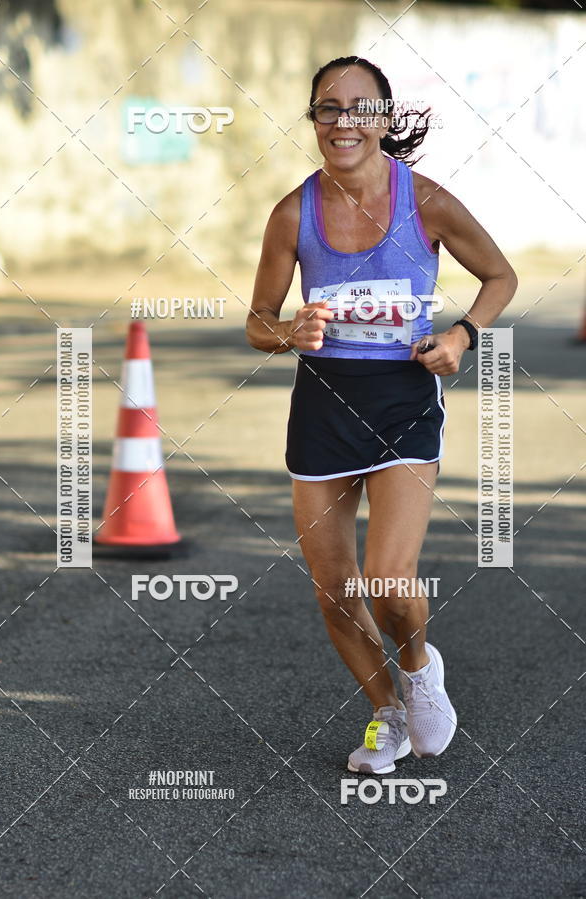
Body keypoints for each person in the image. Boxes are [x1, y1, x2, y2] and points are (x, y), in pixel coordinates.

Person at [246, 56, 517, 774]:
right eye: (328, 108)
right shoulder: (291, 213)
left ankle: (421, 667)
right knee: (334, 592)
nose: (343, 122)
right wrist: (289, 332)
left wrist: (461, 335)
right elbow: (256, 320)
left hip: (402, 406)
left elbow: (500, 275)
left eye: (359, 107)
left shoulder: (425, 201)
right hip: (323, 413)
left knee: (390, 580)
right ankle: (386, 713)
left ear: (385, 119)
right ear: (313, 120)